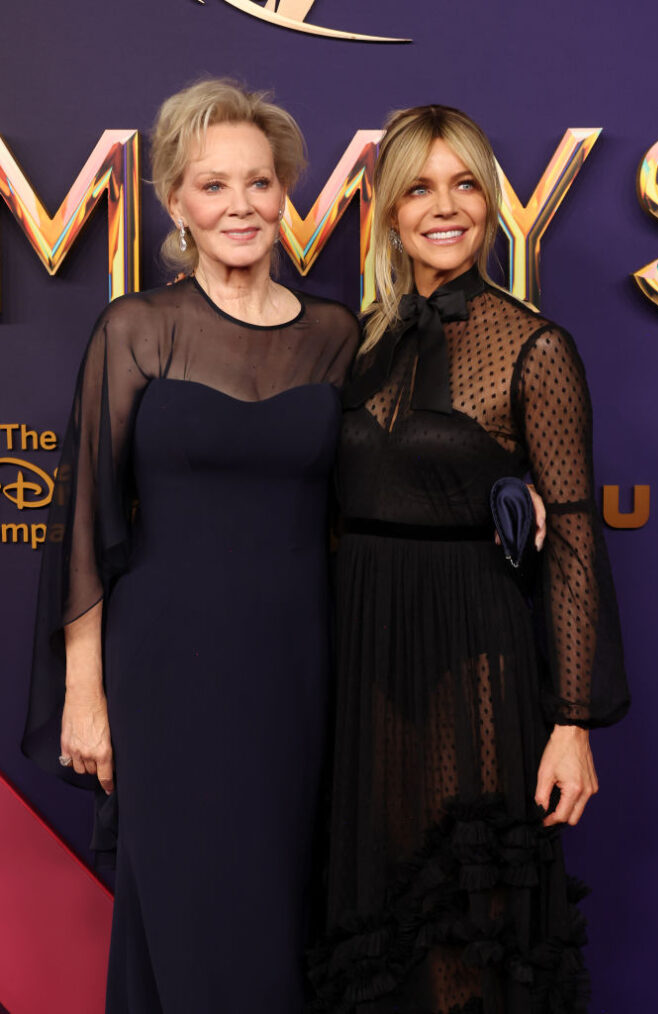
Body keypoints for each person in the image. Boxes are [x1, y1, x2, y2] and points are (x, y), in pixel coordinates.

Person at [22, 78, 359, 1013]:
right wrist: (84, 697)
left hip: (296, 667)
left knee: (276, 902)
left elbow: (389, 469)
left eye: (259, 183)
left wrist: (511, 488)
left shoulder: (334, 337)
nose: (240, 206)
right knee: (183, 899)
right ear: (176, 202)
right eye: (214, 186)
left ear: (285, 191)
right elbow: (85, 519)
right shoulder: (138, 329)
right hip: (165, 670)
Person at [308, 105, 630, 1013]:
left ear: (489, 205)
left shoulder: (535, 346)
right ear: (388, 209)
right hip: (363, 657)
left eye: (464, 187)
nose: (444, 208)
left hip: (474, 657)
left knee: (466, 918)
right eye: (419, 187)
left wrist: (572, 722)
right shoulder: (353, 343)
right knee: (373, 908)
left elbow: (572, 537)